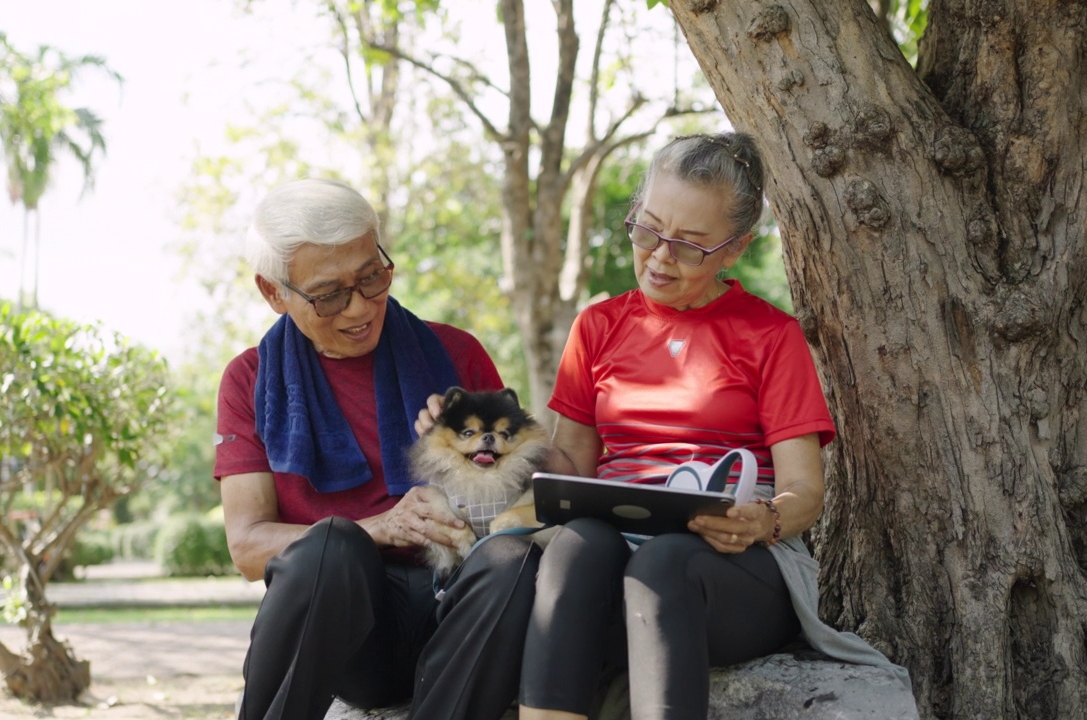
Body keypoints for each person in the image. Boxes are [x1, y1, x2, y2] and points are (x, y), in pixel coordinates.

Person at [516, 133, 909, 720]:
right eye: (647, 231)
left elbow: (806, 492)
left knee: (664, 561)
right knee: (575, 546)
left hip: (731, 568)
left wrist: (764, 519)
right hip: (616, 554)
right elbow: (570, 466)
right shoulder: (597, 327)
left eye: (689, 246)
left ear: (735, 249)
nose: (659, 257)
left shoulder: (771, 336)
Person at [214, 178, 540, 720]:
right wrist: (379, 528)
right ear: (274, 293)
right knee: (331, 547)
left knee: (513, 557)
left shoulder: (457, 353)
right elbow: (248, 548)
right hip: (352, 627)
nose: (360, 307)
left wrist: (464, 469)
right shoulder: (248, 380)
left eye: (372, 277)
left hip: (457, 605)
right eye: (330, 294)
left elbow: (522, 507)